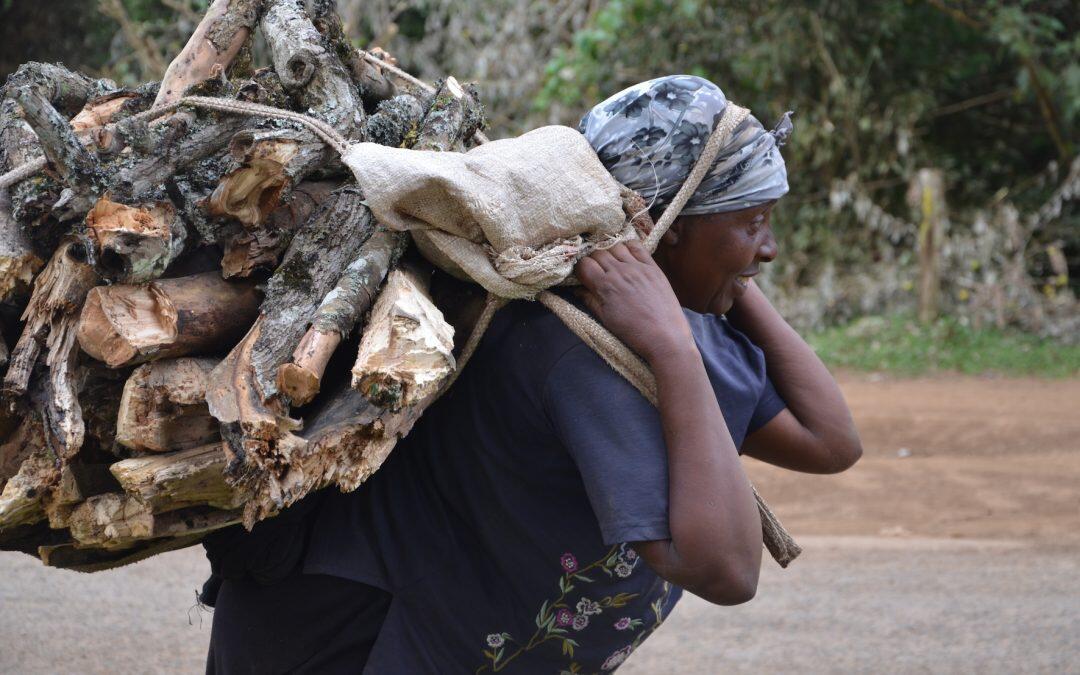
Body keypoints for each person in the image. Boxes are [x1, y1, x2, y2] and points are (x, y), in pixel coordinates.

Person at [202, 75, 862, 674]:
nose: (770, 249)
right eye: (752, 223)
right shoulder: (580, 347)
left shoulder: (680, 324)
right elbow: (727, 569)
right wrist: (673, 345)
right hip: (344, 629)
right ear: (673, 226)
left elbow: (828, 438)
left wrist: (726, 280)